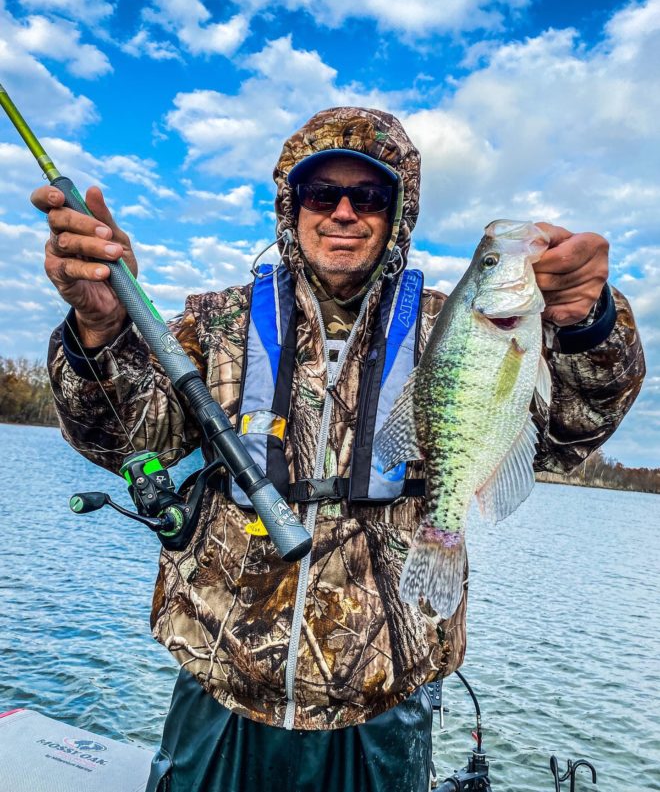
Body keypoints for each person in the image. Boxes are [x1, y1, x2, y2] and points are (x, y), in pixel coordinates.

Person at [33, 107, 644, 792]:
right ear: (292, 209)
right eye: (323, 194)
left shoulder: (455, 325)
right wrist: (101, 326)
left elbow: (565, 435)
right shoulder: (218, 324)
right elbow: (122, 437)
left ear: (397, 214)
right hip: (220, 690)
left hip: (383, 704)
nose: (345, 212)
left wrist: (589, 325)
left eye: (370, 196)